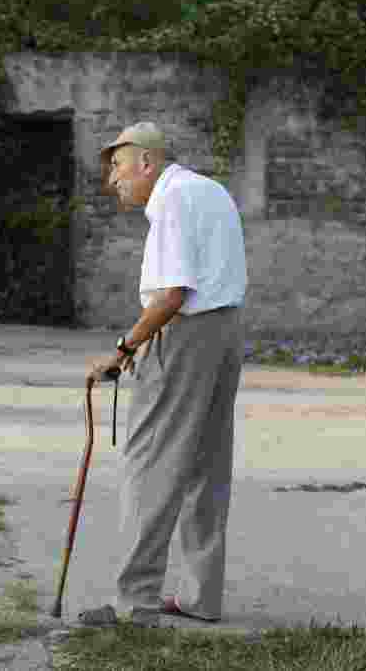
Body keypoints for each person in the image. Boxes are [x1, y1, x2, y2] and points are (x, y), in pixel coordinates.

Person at [79, 121, 248, 628]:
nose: (112, 180)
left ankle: (135, 604)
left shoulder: (172, 200)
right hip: (226, 332)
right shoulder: (209, 189)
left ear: (147, 163)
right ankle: (200, 596)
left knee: (150, 462)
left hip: (188, 334)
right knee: (204, 466)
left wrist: (124, 347)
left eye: (118, 167)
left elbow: (172, 295)